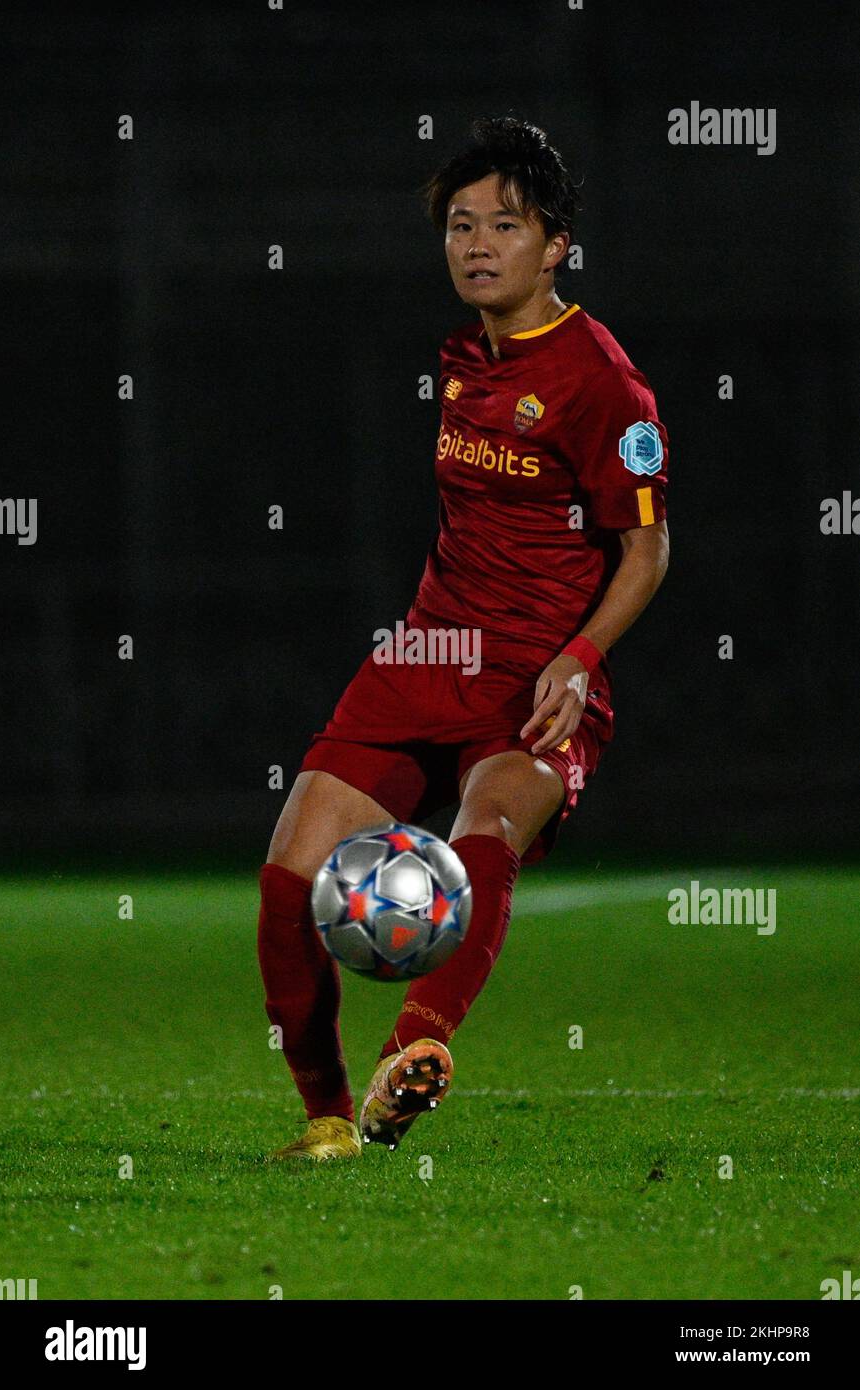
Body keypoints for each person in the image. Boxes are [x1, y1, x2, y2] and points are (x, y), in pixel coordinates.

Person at [257, 115, 670, 1160]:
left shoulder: (602, 384)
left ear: (557, 243)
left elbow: (646, 553)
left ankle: (416, 1051)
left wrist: (578, 662)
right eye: (459, 224)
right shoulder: (462, 354)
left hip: (536, 672)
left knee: (485, 831)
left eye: (506, 225)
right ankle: (323, 1118)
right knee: (289, 874)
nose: (477, 244)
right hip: (428, 651)